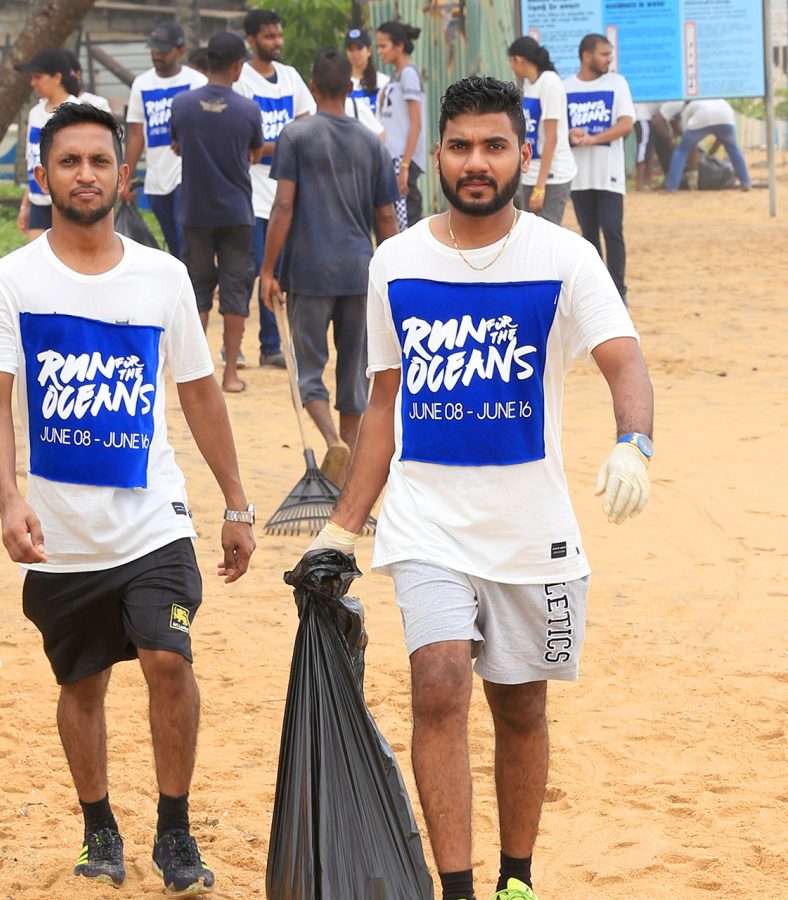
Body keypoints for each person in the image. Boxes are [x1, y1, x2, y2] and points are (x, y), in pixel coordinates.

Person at [304, 76, 654, 900]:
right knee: (438, 685)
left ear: (522, 154)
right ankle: (457, 888)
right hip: (428, 523)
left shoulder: (564, 257)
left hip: (532, 530)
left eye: (494, 145)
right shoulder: (396, 262)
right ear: (436, 155)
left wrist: (634, 444)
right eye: (460, 146)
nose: (476, 162)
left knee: (521, 710)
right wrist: (342, 527)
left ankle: (515, 879)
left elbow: (625, 361)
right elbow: (384, 403)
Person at [0, 102, 256, 894]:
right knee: (81, 684)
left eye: (99, 161)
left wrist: (235, 501)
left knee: (168, 659)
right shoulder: (10, 282)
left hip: (154, 520)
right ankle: (99, 828)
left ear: (124, 177)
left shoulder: (162, 277)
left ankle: (174, 830)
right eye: (69, 162)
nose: (84, 174)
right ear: (43, 176)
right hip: (60, 535)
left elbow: (200, 393)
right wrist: (8, 498)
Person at [259, 50, 398, 483]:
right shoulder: (372, 143)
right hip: (360, 273)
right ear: (351, 89)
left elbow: (283, 206)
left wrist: (268, 269)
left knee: (308, 368)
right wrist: (393, 274)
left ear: (313, 88)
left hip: (310, 272)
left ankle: (333, 440)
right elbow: (387, 217)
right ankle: (349, 465)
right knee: (355, 372)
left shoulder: (296, 135)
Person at [170, 32, 264, 394]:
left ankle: (197, 373)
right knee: (236, 291)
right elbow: (255, 153)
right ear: (238, 66)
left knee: (197, 288)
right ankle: (230, 375)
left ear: (207, 61)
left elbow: (177, 145)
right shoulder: (248, 110)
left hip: (195, 209)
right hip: (236, 211)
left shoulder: (182, 105)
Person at [235, 9, 316, 369]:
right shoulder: (241, 80)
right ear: (252, 40)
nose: (277, 42)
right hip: (251, 194)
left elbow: (307, 125)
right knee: (251, 269)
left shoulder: (290, 76)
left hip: (285, 191)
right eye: (269, 36)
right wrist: (286, 144)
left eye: (279, 35)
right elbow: (243, 144)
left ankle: (271, 345)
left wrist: (267, 147)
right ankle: (234, 345)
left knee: (278, 271)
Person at [122, 21, 207, 258]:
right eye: (153, 49)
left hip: (187, 173)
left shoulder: (196, 82)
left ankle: (192, 278)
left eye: (163, 50)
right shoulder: (142, 84)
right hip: (156, 177)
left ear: (179, 51)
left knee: (184, 235)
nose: (157, 55)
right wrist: (126, 176)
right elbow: (136, 133)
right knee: (172, 240)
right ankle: (185, 275)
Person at [563, 34, 635, 301]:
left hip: (609, 175)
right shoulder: (565, 87)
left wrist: (593, 138)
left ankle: (618, 291)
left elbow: (626, 124)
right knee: (588, 234)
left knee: (612, 229)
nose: (609, 59)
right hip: (579, 176)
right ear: (586, 56)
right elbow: (557, 128)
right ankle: (597, 291)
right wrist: (570, 135)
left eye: (610, 54)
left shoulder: (617, 83)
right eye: (604, 54)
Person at [507, 36, 576, 225]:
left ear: (518, 59)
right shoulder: (529, 84)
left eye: (511, 62)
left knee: (547, 232)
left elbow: (551, 138)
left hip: (552, 175)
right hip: (532, 173)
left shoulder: (550, 83)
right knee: (527, 231)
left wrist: (540, 187)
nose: (511, 67)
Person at [15, 49, 80, 241]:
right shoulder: (35, 113)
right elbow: (33, 162)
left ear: (57, 77)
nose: (33, 83)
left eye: (38, 77)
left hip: (66, 202)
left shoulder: (76, 111)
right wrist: (25, 205)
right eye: (32, 77)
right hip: (38, 201)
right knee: (36, 256)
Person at [375, 20, 426, 230]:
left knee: (406, 224)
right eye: (377, 46)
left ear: (399, 46)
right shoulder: (394, 77)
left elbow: (416, 123)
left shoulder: (408, 74)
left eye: (383, 46)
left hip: (403, 160)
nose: (379, 51)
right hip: (392, 158)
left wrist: (405, 166)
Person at [664, 99, 751, 193]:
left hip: (702, 117)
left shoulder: (689, 106)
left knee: (681, 151)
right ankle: (746, 183)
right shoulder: (721, 100)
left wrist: (694, 168)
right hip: (726, 117)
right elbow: (721, 140)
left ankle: (672, 186)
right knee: (733, 149)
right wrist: (710, 153)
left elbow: (687, 138)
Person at [345, 27, 389, 115]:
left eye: (359, 48)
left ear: (369, 50)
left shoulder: (384, 82)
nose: (355, 53)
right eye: (351, 49)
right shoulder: (341, 83)